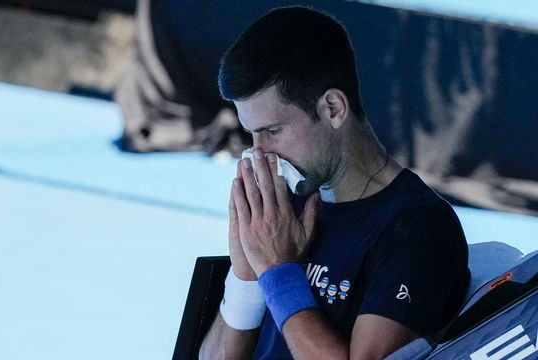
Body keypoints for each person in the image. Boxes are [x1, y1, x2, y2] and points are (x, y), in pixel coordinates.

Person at [199, 6, 470, 360]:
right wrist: (246, 276)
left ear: (332, 108)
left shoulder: (420, 227)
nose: (259, 153)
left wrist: (278, 273)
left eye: (273, 131)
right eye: (251, 134)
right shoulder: (283, 210)